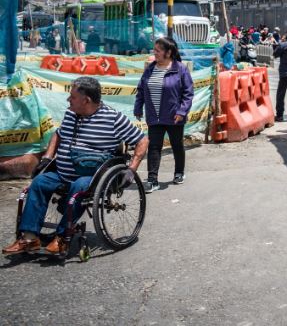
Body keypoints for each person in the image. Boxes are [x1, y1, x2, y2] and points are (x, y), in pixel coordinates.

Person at [3, 77, 149, 256]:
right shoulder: (71, 113)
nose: (68, 100)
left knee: (79, 188)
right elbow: (58, 134)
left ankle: (62, 238)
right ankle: (29, 237)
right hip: (61, 172)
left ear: (86, 100)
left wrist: (131, 169)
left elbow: (142, 140)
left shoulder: (113, 119)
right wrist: (47, 158)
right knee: (39, 182)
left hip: (91, 175)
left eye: (72, 97)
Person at [134, 37, 194, 193]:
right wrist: (138, 107)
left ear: (168, 53)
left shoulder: (180, 69)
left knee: (176, 145)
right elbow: (141, 89)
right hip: (154, 116)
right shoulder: (150, 69)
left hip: (174, 116)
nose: (155, 53)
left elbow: (188, 93)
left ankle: (179, 172)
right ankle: (152, 180)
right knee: (154, 147)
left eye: (158, 51)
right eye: (154, 50)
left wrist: (181, 112)